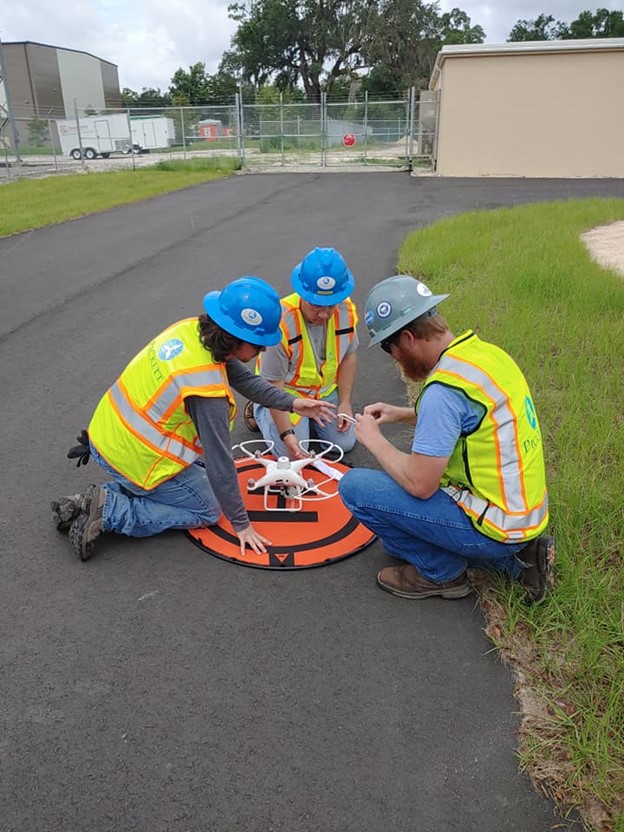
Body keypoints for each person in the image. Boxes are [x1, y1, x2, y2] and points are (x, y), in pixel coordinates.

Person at [51, 277, 336, 562]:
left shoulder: (193, 332)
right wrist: (241, 524)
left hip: (106, 436)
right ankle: (112, 511)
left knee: (199, 480)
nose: (262, 352)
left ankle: (87, 503)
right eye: (258, 345)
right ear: (237, 338)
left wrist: (294, 403)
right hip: (135, 458)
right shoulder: (207, 392)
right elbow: (220, 461)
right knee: (208, 509)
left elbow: (246, 380)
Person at [338, 274, 555, 604]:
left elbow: (419, 484)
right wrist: (402, 412)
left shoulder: (443, 392)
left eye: (388, 346)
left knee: (355, 488)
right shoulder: (484, 355)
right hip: (524, 514)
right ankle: (519, 562)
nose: (393, 357)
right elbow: (470, 417)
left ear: (408, 338)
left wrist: (373, 439)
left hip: (494, 524)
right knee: (402, 535)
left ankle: (441, 573)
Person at [248, 247, 359, 460]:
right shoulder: (281, 322)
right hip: (286, 395)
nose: (324, 314)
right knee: (294, 455)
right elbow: (274, 383)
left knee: (344, 444)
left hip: (324, 394)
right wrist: (287, 433)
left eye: (330, 305)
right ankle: (259, 410)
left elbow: (348, 357)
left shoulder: (346, 312)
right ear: (302, 293)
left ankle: (310, 425)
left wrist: (345, 403)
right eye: (316, 305)